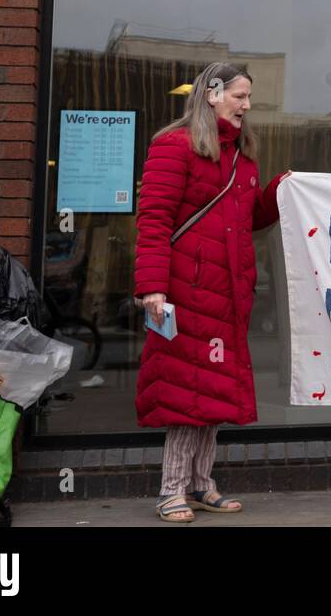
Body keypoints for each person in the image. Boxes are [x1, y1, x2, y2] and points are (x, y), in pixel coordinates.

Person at [133, 62, 290, 522]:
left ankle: (202, 485)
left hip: (228, 294)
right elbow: (155, 222)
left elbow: (249, 220)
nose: (246, 105)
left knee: (214, 393)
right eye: (240, 96)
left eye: (248, 98)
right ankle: (171, 490)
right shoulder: (172, 146)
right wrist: (152, 289)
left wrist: (280, 190)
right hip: (185, 293)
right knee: (186, 395)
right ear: (212, 94)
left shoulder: (243, 157)